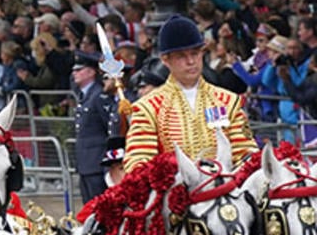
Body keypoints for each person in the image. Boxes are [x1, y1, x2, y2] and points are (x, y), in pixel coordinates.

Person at [125, 16, 254, 172]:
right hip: (173, 192)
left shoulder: (228, 100)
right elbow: (138, 163)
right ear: (166, 60)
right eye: (181, 56)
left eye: (195, 53)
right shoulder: (147, 108)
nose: (191, 61)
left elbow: (246, 152)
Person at [71, 54, 120, 202]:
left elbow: (110, 128)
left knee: (98, 206)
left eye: (80, 70)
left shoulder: (99, 95)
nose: (75, 73)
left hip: (96, 163)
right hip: (86, 163)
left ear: (91, 72)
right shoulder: (86, 95)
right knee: (88, 209)